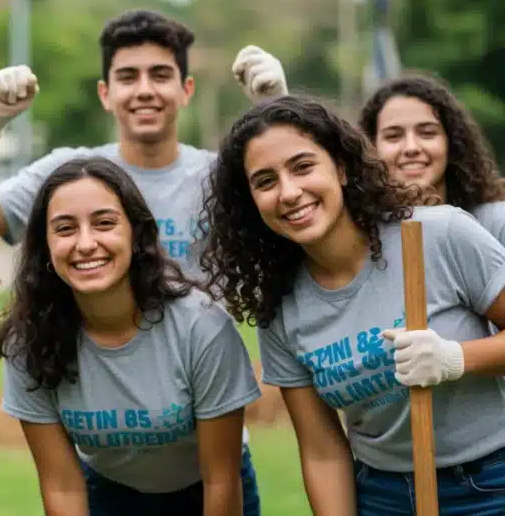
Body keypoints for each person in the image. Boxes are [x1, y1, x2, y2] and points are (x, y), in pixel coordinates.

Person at [0, 9, 277, 508]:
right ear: (105, 92)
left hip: (200, 422)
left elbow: (304, 217)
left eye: (160, 75)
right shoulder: (71, 180)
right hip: (107, 453)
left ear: (186, 89)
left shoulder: (221, 179)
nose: (143, 90)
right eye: (127, 77)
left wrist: (280, 112)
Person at [198, 94, 505, 515]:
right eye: (266, 181)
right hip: (383, 496)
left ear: (341, 167)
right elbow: (323, 451)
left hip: (491, 484)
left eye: (303, 167)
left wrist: (456, 358)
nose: (289, 192)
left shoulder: (439, 234)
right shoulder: (281, 307)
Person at [0, 156, 260, 515]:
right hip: (108, 492)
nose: (86, 244)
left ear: (136, 234)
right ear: (44, 245)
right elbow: (62, 486)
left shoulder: (201, 327)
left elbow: (221, 480)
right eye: (65, 228)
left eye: (104, 223)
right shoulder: (29, 342)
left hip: (208, 491)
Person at [358, 74, 505, 241]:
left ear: (452, 142)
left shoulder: (497, 224)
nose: (411, 147)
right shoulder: (363, 239)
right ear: (371, 148)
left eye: (427, 133)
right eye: (394, 136)